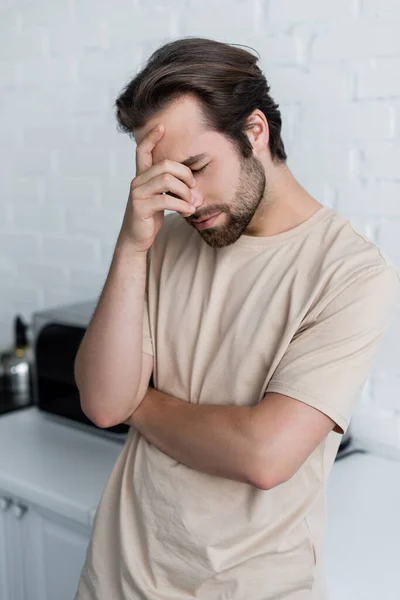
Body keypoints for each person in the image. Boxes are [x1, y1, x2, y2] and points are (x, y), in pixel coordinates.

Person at [74, 37, 399, 600]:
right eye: (173, 178)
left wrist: (141, 402)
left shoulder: (350, 272)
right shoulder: (162, 239)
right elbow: (104, 403)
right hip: (118, 580)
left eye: (198, 167)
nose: (188, 199)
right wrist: (131, 245)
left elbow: (264, 455)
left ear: (253, 132)